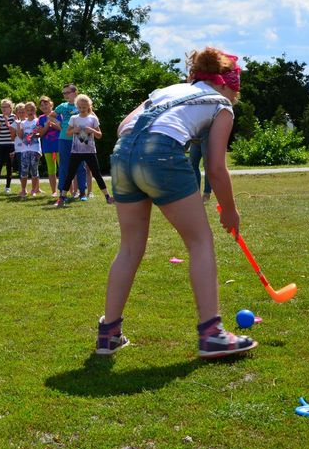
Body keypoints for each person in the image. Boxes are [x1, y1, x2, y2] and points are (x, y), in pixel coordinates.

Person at [98, 46, 256, 359]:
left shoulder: (166, 90)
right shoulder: (221, 104)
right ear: (226, 84)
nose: (235, 97)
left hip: (121, 155)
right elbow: (215, 168)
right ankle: (212, 335)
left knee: (129, 247)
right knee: (200, 242)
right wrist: (231, 212)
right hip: (161, 155)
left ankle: (109, 334)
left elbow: (123, 126)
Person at [55, 94, 113, 207]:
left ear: (88, 106)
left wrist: (91, 130)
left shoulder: (93, 118)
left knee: (97, 174)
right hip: (76, 152)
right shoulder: (73, 118)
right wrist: (74, 130)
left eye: (84, 107)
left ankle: (107, 196)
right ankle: (62, 197)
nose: (82, 109)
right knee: (70, 174)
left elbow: (99, 135)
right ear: (77, 106)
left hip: (90, 151)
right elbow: (67, 132)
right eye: (80, 107)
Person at [55, 84, 87, 199]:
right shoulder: (62, 106)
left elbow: (91, 115)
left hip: (80, 137)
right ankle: (62, 193)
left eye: (67, 92)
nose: (65, 95)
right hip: (64, 138)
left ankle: (82, 192)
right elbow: (51, 115)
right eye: (64, 93)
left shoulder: (82, 104)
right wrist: (59, 124)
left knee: (81, 165)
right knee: (64, 166)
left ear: (75, 92)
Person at [16, 102, 42, 198]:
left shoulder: (38, 121)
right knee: (24, 170)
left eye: (32, 110)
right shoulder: (23, 123)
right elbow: (20, 136)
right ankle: (23, 190)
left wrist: (34, 134)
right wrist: (18, 126)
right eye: (27, 110)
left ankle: (33, 190)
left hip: (35, 149)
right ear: (25, 111)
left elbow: (40, 134)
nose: (30, 112)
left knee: (34, 170)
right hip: (24, 150)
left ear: (35, 110)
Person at [37, 96, 61, 196]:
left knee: (63, 168)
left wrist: (53, 124)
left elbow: (62, 129)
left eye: (46, 104)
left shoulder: (59, 115)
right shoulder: (41, 118)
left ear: (51, 104)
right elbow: (40, 133)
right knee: (51, 170)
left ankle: (68, 190)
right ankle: (54, 191)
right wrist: (47, 125)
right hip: (47, 147)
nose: (44, 106)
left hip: (60, 146)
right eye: (42, 105)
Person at [0, 99, 16, 194]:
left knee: (9, 166)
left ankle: (8, 187)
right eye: (2, 107)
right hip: (1, 144)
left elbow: (14, 131)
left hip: (11, 144)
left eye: (6, 107)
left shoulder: (14, 117)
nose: (4, 109)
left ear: (10, 108)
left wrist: (8, 123)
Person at [189, 137, 212, 202]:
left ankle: (206, 193)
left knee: (207, 165)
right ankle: (196, 194)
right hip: (194, 138)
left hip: (206, 136)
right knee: (193, 165)